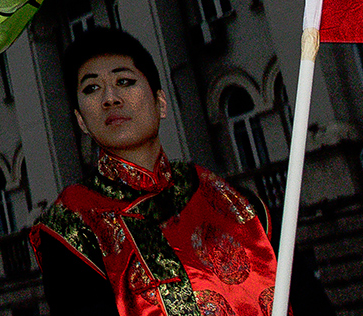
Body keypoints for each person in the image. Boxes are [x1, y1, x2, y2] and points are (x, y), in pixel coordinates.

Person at [31, 26, 331, 316]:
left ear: (160, 103)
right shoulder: (72, 226)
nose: (110, 98)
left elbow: (308, 302)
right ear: (82, 121)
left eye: (125, 81)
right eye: (92, 88)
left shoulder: (234, 202)